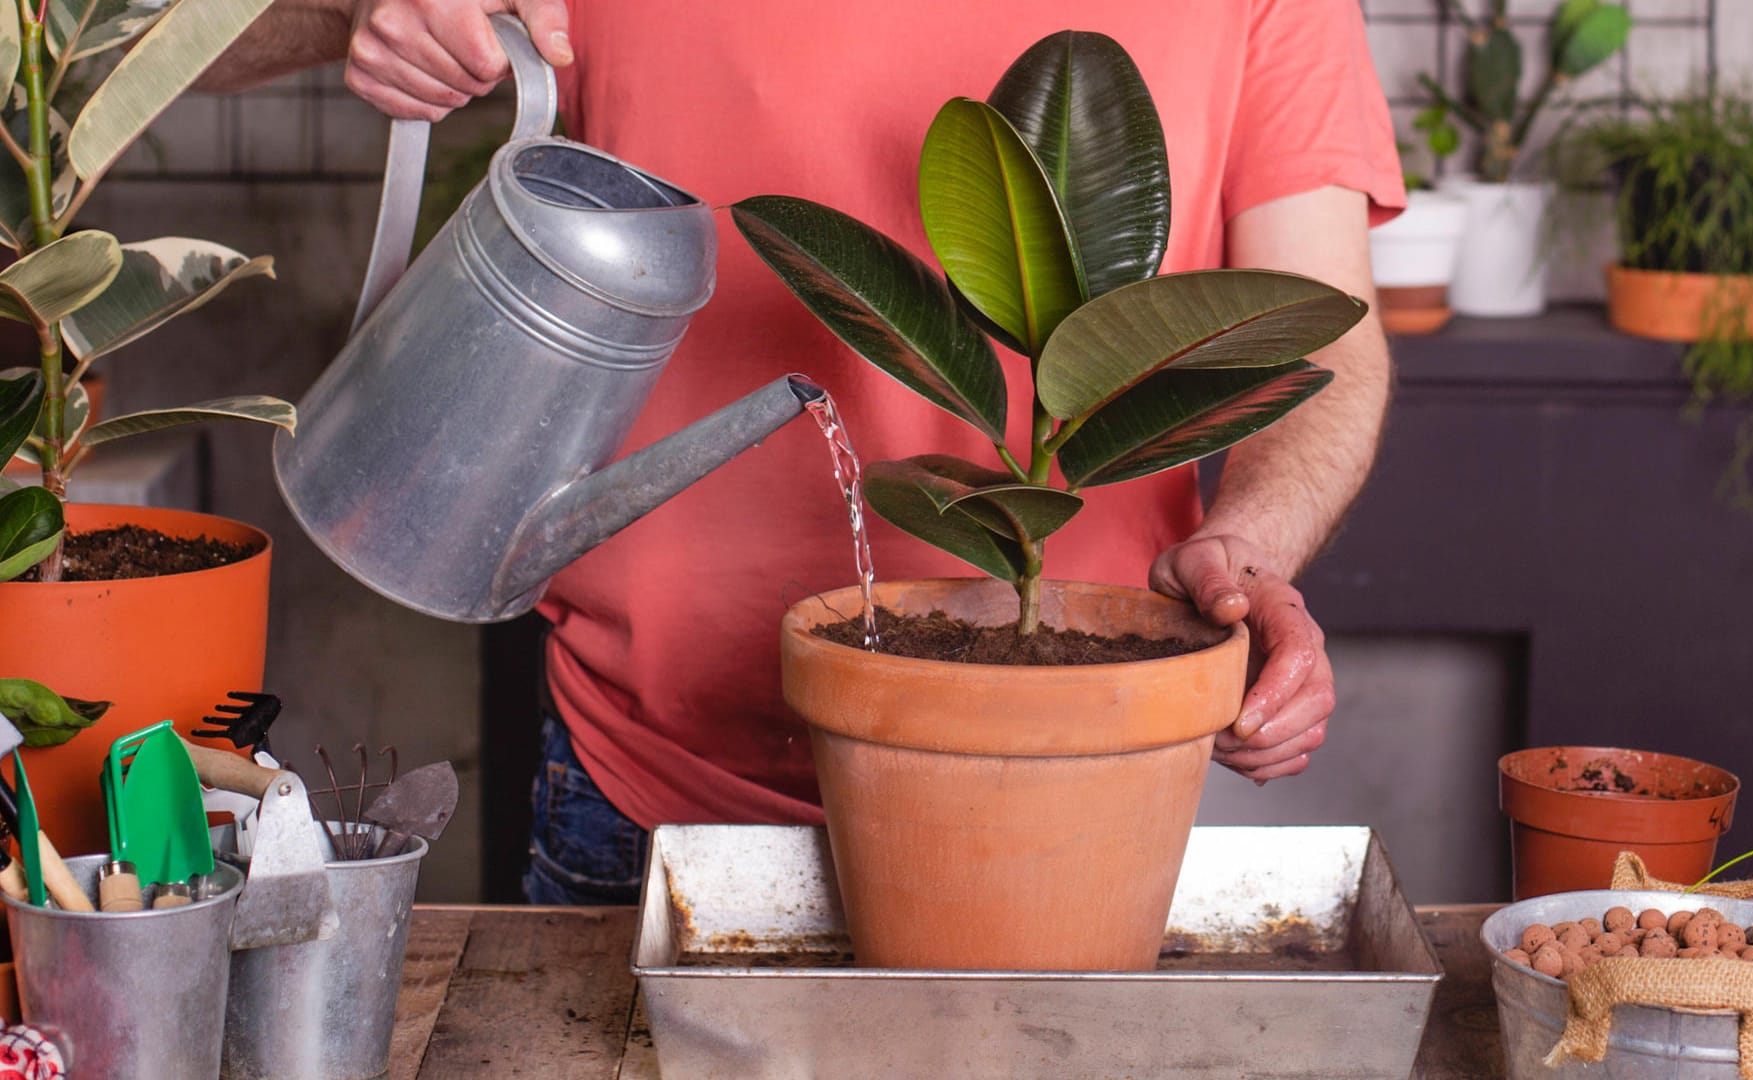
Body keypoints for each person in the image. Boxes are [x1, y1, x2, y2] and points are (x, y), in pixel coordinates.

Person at [207, 0, 1402, 904]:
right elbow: (127, 42)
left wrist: (1248, 551)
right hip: (650, 794)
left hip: (1073, 786)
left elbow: (1319, 336)